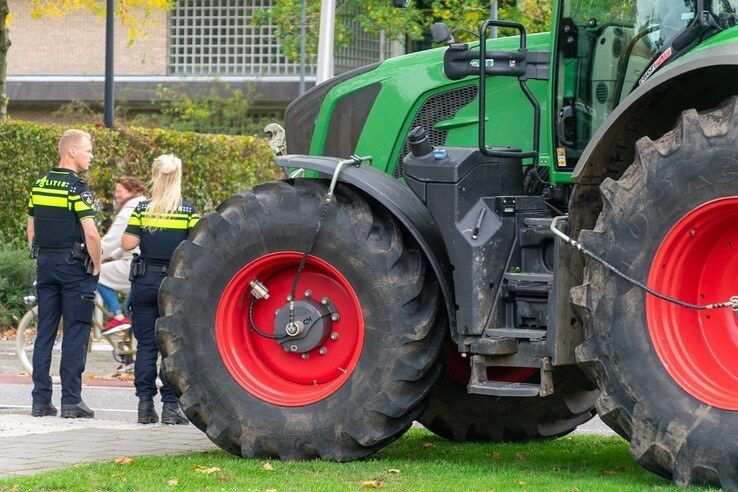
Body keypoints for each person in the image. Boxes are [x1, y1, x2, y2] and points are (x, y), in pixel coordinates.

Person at [27, 129, 101, 419]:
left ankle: (40, 400)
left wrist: (38, 254)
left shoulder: (40, 183)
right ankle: (71, 401)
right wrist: (96, 264)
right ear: (71, 152)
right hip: (73, 267)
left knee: (45, 331)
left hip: (45, 262)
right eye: (88, 150)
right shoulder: (76, 188)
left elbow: (31, 227)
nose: (91, 156)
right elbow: (91, 234)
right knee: (75, 331)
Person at [122, 154, 198, 425]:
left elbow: (128, 243)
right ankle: (170, 407)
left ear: (154, 177)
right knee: (171, 348)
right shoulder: (188, 211)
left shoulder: (143, 209)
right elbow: (195, 251)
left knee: (145, 345)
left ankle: (144, 406)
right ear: (177, 178)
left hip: (144, 282)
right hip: (174, 288)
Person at [98, 177, 147, 334]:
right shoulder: (144, 207)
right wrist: (112, 257)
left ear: (131, 192)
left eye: (119, 191)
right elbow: (128, 243)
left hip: (132, 265)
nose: (116, 195)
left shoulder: (127, 212)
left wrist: (93, 256)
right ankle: (128, 353)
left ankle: (117, 317)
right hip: (144, 264)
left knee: (98, 274)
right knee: (130, 306)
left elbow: (110, 242)